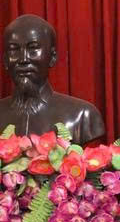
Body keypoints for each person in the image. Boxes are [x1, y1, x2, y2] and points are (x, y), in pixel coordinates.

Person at [0, 14, 104, 144]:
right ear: (5, 60)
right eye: (14, 50)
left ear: (52, 57)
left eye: (33, 49)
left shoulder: (82, 116)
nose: (23, 59)